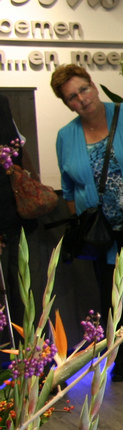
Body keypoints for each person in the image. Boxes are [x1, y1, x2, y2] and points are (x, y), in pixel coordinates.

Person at [53, 65, 123, 382]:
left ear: (93, 85)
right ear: (67, 104)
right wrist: (82, 225)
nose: (81, 99)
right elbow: (68, 187)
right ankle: (120, 358)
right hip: (100, 234)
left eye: (83, 89)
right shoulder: (66, 136)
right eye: (72, 97)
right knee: (110, 300)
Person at [0, 94, 30, 328]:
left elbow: (17, 151)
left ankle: (21, 346)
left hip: (11, 218)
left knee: (18, 292)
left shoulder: (2, 103)